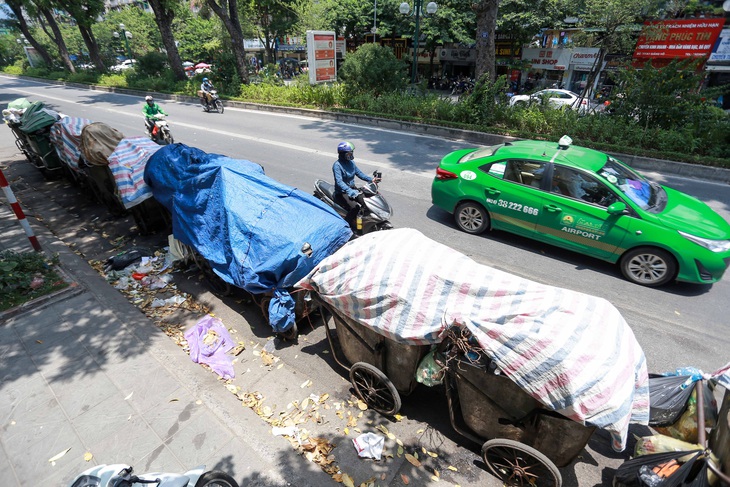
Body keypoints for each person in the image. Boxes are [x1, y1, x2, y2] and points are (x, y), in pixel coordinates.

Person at [332, 141, 379, 233]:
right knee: (356, 208)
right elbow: (339, 182)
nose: (351, 155)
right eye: (349, 153)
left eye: (351, 153)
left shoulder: (351, 163)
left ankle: (364, 222)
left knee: (366, 201)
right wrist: (350, 191)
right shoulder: (337, 166)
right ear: (343, 154)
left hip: (352, 189)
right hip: (342, 192)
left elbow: (359, 173)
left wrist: (371, 180)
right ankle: (346, 227)